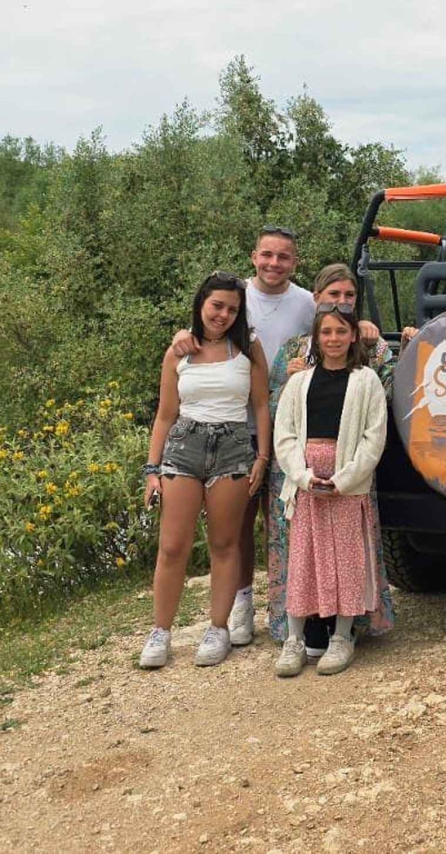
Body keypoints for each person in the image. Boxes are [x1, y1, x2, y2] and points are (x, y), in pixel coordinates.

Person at [171, 229, 378, 649]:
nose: (274, 263)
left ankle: (312, 616)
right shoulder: (237, 295)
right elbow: (206, 323)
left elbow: (338, 327)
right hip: (234, 424)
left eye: (283, 257)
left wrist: (366, 324)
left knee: (287, 524)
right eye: (267, 254)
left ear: (295, 263)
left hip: (286, 429)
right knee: (238, 525)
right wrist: (180, 336)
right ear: (254, 256)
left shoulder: (305, 302)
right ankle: (242, 604)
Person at [266, 264, 405, 651]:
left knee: (349, 547)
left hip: (350, 464)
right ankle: (301, 627)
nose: (341, 302)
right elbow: (273, 406)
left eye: (349, 296)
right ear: (317, 299)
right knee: (301, 548)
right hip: (298, 465)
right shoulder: (294, 349)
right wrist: (290, 379)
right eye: (334, 295)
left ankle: (349, 624)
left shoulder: (371, 345)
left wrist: (409, 346)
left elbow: (390, 395)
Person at [140, 272, 271, 668]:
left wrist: (262, 458)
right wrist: (151, 469)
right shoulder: (179, 351)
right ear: (201, 303)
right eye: (217, 305)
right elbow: (165, 415)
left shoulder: (248, 348)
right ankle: (160, 632)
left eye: (232, 309)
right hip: (184, 447)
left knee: (225, 543)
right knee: (172, 546)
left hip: (233, 448)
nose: (223, 315)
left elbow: (261, 406)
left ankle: (218, 628)